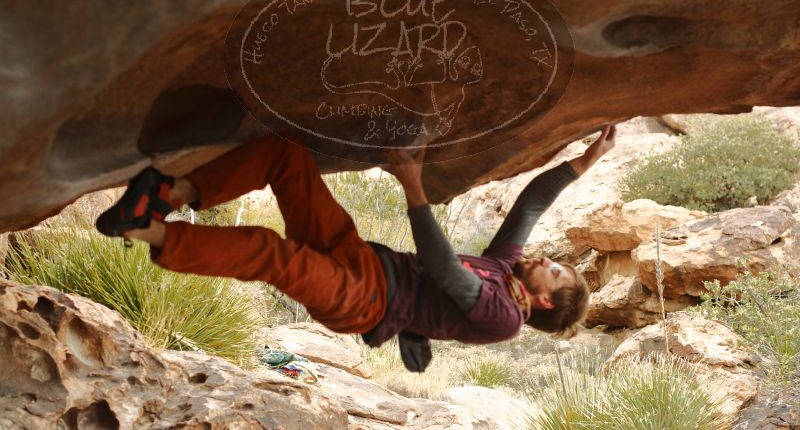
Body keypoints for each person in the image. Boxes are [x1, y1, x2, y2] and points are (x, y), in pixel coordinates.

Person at [96, 125, 616, 371]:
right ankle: (166, 196)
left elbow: (441, 267)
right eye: (557, 262)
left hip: (363, 300)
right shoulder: (505, 269)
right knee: (285, 155)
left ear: (545, 302)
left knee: (272, 254)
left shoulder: (503, 318)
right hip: (364, 259)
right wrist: (583, 162)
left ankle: (143, 229)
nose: (548, 262)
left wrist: (411, 183)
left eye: (557, 273)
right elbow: (530, 206)